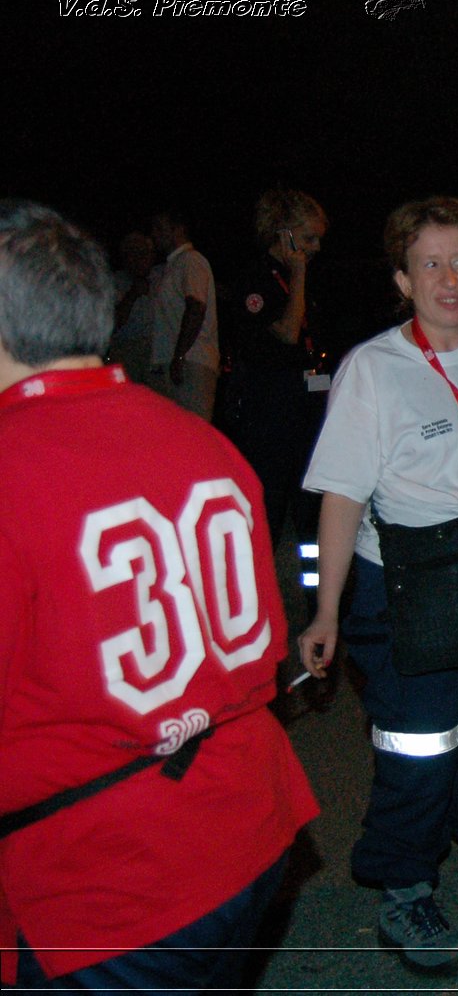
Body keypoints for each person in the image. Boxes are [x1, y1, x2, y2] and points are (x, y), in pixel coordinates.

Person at [0, 201, 318, 991]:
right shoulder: (200, 438)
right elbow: (262, 654)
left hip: (111, 888)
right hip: (246, 829)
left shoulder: (13, 466)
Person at [298, 196, 458, 973]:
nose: (449, 278)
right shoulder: (372, 369)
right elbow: (341, 494)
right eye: (430, 264)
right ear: (403, 281)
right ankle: (405, 886)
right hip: (410, 586)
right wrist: (327, 610)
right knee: (419, 749)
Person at [221, 189, 331, 559]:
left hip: (305, 405)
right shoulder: (257, 280)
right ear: (282, 233)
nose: (314, 247)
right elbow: (287, 333)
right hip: (269, 409)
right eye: (307, 238)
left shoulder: (299, 280)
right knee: (269, 504)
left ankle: (316, 600)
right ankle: (262, 595)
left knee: (310, 511)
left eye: (318, 239)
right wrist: (298, 276)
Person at [148, 209, 220, 420]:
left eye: (160, 229)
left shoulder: (191, 260)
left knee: (193, 431)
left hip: (191, 363)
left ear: (177, 230)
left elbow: (196, 307)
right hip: (172, 363)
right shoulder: (169, 267)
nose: (155, 235)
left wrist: (179, 355)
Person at [106, 230, 158, 384]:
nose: (138, 259)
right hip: (126, 349)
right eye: (132, 254)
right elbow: (113, 323)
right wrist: (132, 295)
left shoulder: (161, 277)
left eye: (143, 253)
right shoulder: (116, 282)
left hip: (156, 351)